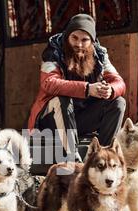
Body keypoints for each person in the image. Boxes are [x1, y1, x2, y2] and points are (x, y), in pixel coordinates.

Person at [27, 13, 126, 161]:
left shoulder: (100, 55)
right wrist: (87, 89)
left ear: (92, 42)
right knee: (62, 99)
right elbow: (49, 83)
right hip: (49, 122)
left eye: (84, 40)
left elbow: (119, 82)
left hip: (78, 119)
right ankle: (72, 159)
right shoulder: (52, 52)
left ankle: (103, 158)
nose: (79, 44)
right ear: (67, 36)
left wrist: (110, 90)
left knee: (118, 102)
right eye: (74, 38)